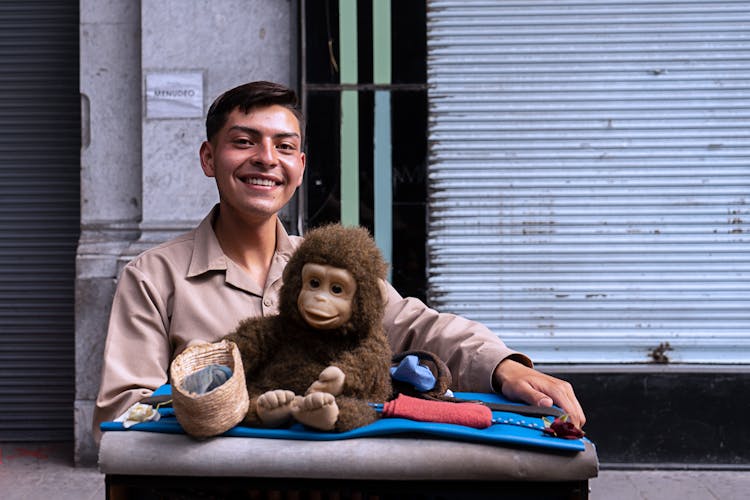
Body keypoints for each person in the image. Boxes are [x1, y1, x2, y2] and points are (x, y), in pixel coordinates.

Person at [92, 81, 585, 441]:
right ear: (208, 158)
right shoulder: (154, 277)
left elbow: (418, 325)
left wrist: (503, 367)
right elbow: (125, 412)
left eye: (284, 147)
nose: (266, 158)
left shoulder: (332, 266)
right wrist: (237, 406)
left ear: (300, 168)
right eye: (244, 142)